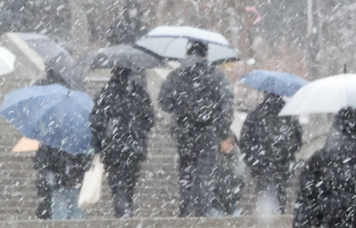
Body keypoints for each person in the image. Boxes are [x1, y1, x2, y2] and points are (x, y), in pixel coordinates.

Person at [158, 39, 233, 217]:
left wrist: (182, 106)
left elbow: (164, 102)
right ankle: (201, 210)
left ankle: (186, 208)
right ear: (206, 54)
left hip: (183, 131)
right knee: (204, 171)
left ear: (187, 53)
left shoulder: (176, 75)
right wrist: (222, 131)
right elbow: (226, 106)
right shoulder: (215, 76)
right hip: (207, 131)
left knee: (186, 171)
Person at [91, 66, 154, 217]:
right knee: (129, 182)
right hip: (133, 146)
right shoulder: (139, 93)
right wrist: (138, 131)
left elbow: (96, 121)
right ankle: (127, 208)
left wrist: (99, 143)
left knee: (117, 182)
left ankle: (122, 209)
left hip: (113, 146)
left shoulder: (105, 93)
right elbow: (150, 119)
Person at [239, 91, 302, 216]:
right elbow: (297, 141)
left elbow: (245, 142)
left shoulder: (256, 114)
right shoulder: (289, 114)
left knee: (264, 194)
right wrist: (286, 153)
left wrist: (253, 160)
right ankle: (279, 214)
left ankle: (266, 220)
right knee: (280, 192)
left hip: (261, 164)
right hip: (282, 164)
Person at [34, 143, 93, 220]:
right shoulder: (51, 142)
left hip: (72, 183)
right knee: (66, 213)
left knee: (72, 213)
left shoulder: (77, 142)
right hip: (61, 184)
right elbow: (41, 160)